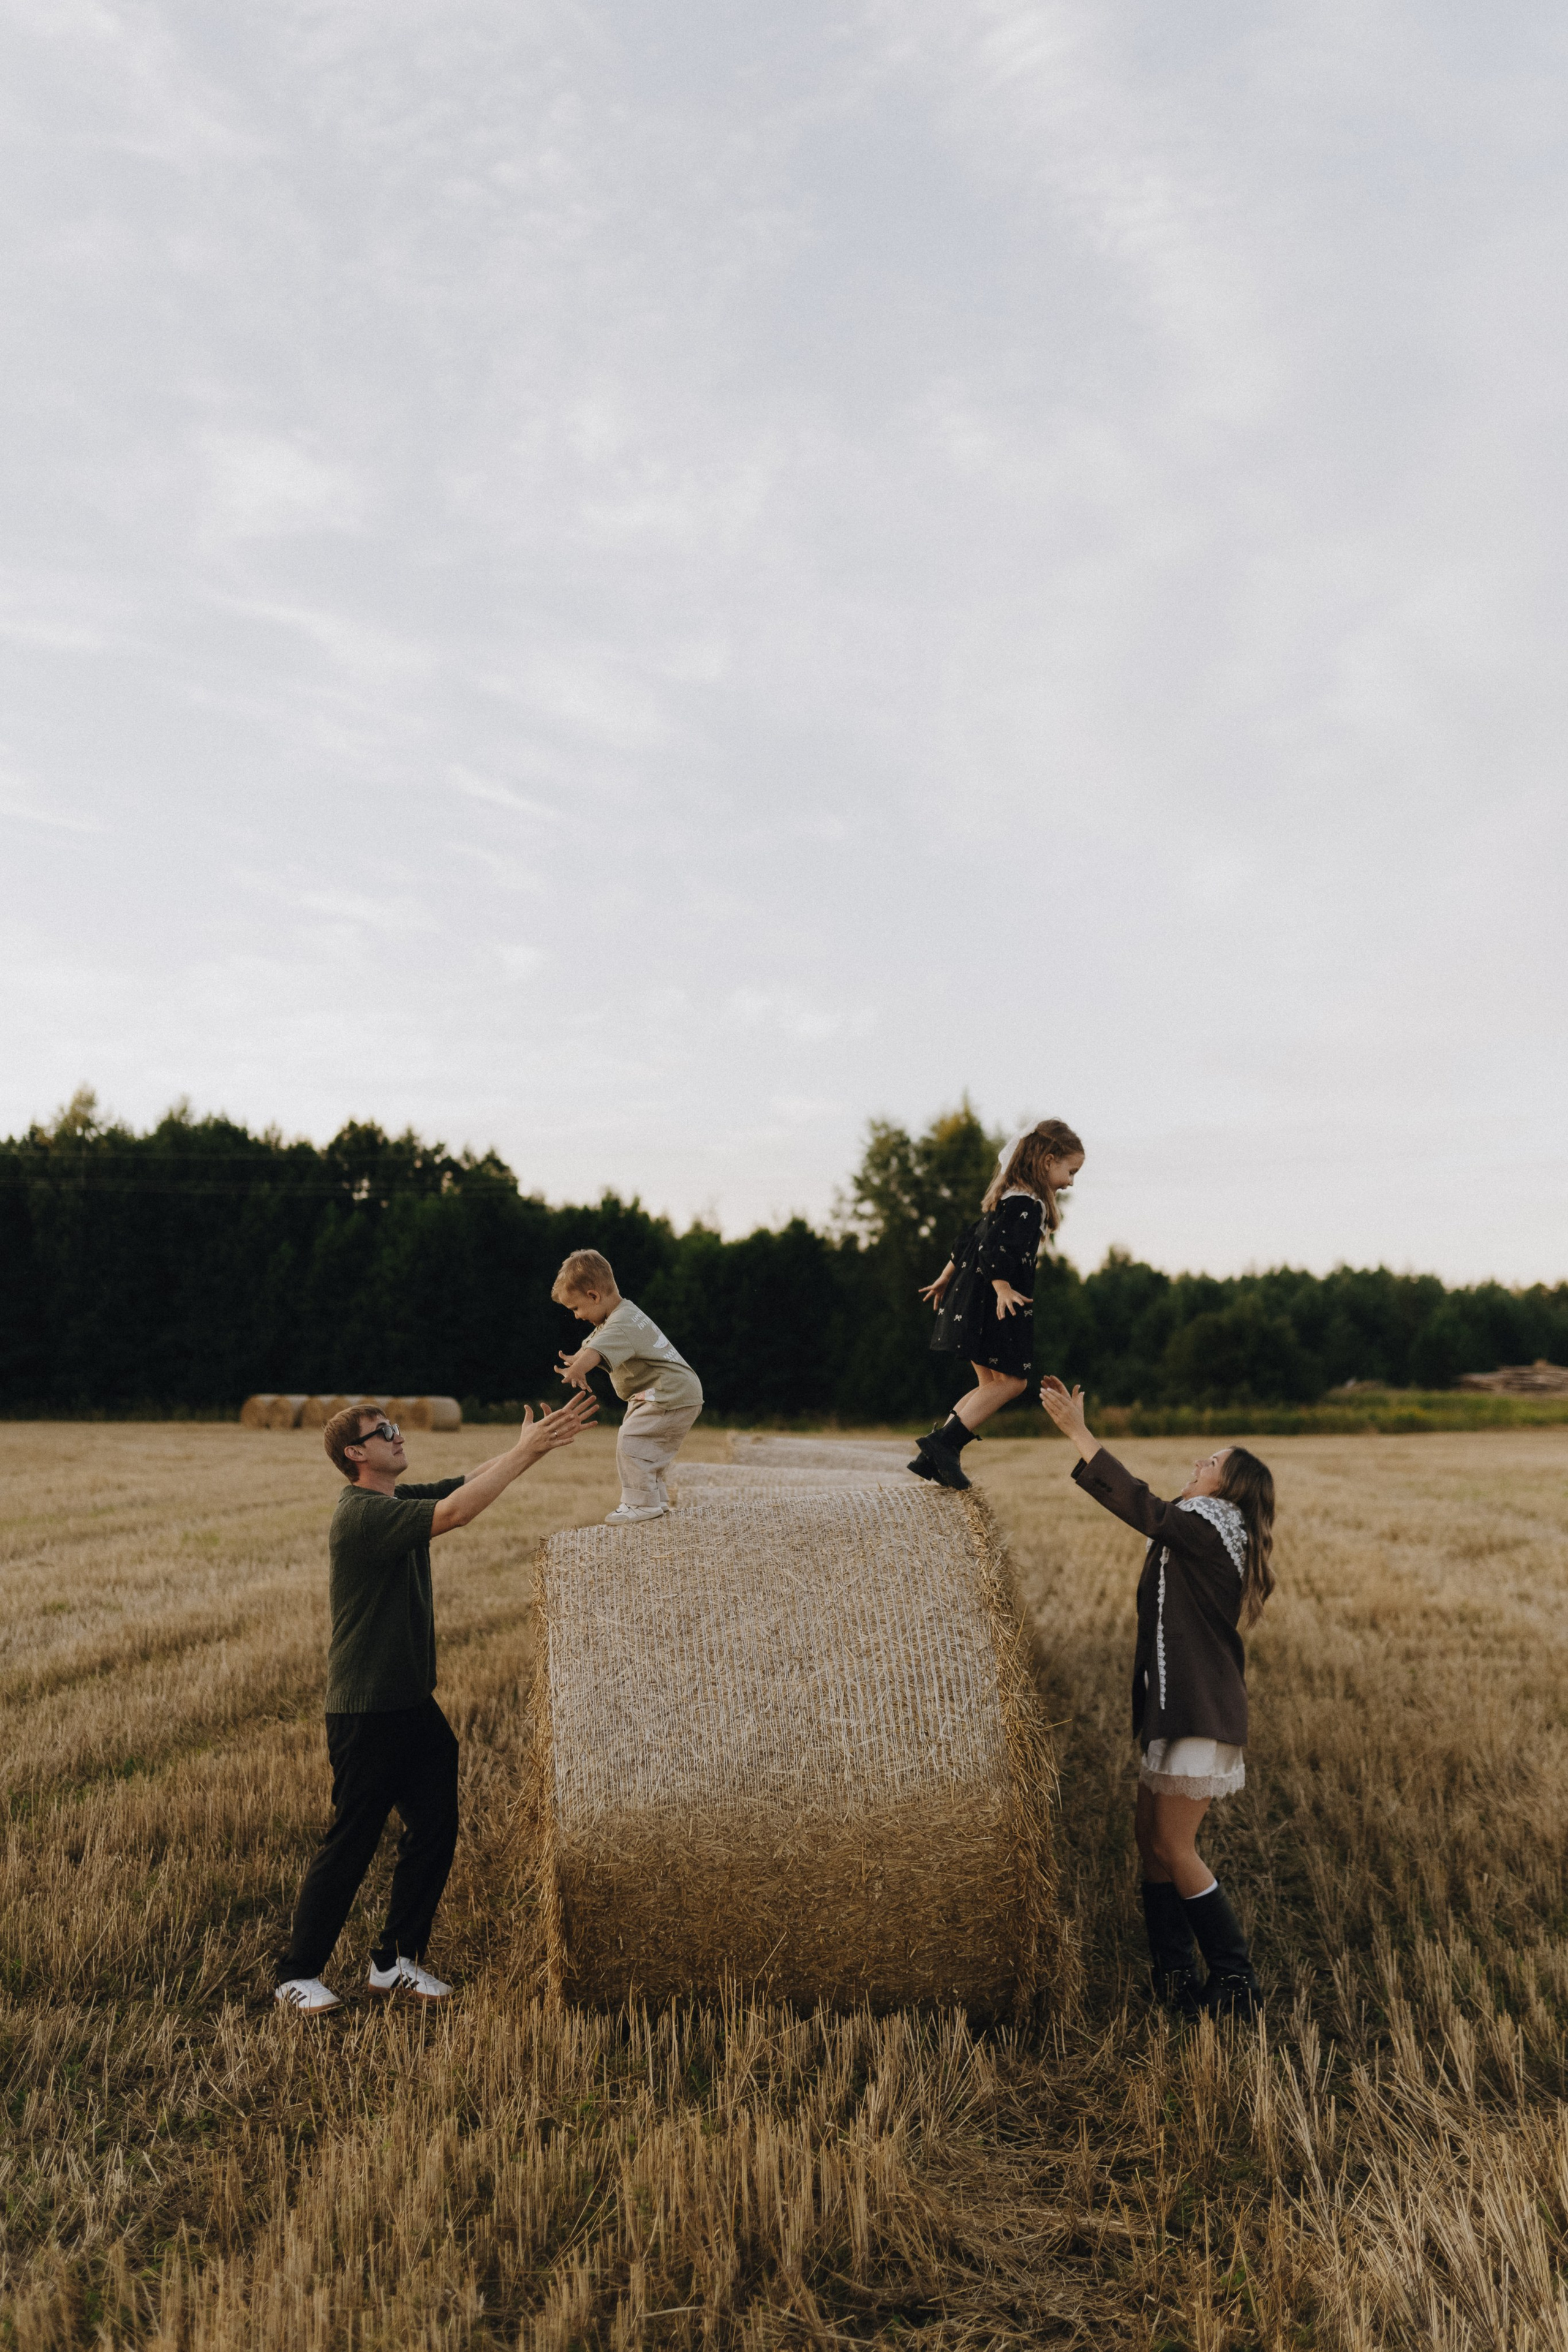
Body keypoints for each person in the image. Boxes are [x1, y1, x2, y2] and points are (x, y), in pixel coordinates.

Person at [274, 1392, 596, 2016]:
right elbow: (456, 1512)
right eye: (383, 1430)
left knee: (435, 1828)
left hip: (413, 1705)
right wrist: (527, 1451)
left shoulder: (394, 1500)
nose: (398, 1434)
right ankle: (296, 1973)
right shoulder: (361, 1515)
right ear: (355, 1453)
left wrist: (530, 1448)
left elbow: (465, 1484)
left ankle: (395, 1961)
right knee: (353, 1840)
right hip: (366, 1709)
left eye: (396, 1425)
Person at [1039, 1374, 1276, 2020]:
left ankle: (1236, 1981)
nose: (1199, 1463)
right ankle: (1174, 1976)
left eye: (1212, 1462)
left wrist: (1080, 1434)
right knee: (1149, 1839)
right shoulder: (1199, 1529)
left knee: (1175, 1847)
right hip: (1175, 1707)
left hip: (1199, 1709)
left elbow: (1144, 1507)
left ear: (1230, 1487)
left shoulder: (1213, 1527)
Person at [911, 1119, 1085, 1490]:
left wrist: (945, 1277)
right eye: (1070, 1172)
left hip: (974, 1297)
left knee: (990, 1383)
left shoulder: (1008, 1199)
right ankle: (943, 1445)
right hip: (994, 1302)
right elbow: (993, 1249)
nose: (1071, 1182)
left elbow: (970, 1240)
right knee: (1014, 1383)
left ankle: (933, 1455)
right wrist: (1003, 1288)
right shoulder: (1027, 1205)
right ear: (1048, 1161)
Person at [552, 1250, 703, 1525]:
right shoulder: (621, 1315)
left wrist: (578, 1369)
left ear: (594, 1296)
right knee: (649, 1450)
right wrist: (578, 1358)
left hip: (667, 1393)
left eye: (575, 1309)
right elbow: (593, 1344)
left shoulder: (621, 1324)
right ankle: (655, 1500)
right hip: (671, 1392)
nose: (576, 1316)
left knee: (631, 1440)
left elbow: (596, 1351)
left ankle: (640, 1503)